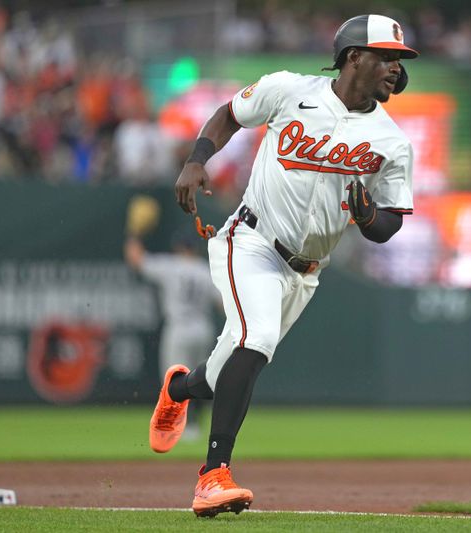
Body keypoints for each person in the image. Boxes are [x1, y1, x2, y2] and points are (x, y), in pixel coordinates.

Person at [148, 14, 417, 518]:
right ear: (353, 56)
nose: (394, 69)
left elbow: (390, 226)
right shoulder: (288, 91)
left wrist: (367, 217)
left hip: (305, 272)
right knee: (258, 339)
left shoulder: (391, 141)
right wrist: (196, 159)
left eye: (399, 60)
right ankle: (212, 477)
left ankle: (180, 387)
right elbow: (228, 114)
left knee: (229, 366)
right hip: (250, 242)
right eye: (385, 56)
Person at [124, 230, 218, 440]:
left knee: (175, 382)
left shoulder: (171, 266)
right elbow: (222, 304)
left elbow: (136, 259)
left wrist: (134, 233)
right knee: (201, 380)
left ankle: (181, 427)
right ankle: (195, 424)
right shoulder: (205, 270)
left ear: (178, 248)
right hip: (203, 328)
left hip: (179, 329)